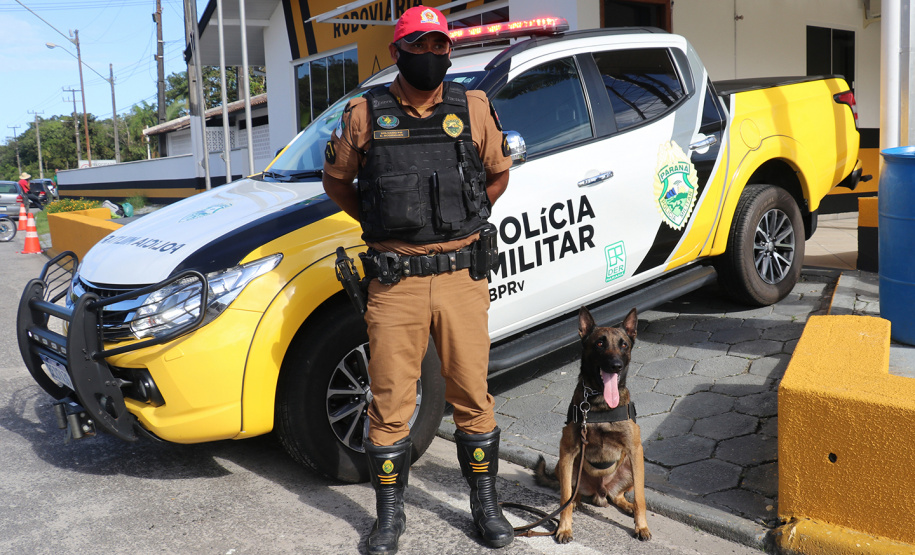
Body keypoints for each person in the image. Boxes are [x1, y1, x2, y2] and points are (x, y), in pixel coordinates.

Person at [322, 6, 513, 554]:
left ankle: (487, 506)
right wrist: (380, 222)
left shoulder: (472, 107)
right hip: (395, 281)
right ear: (396, 52)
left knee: (473, 395)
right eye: (419, 46)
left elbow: (498, 174)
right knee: (388, 403)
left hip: (459, 275)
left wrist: (465, 214)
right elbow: (339, 182)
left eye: (439, 47)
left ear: (449, 52)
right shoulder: (365, 113)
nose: (430, 56)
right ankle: (388, 517)